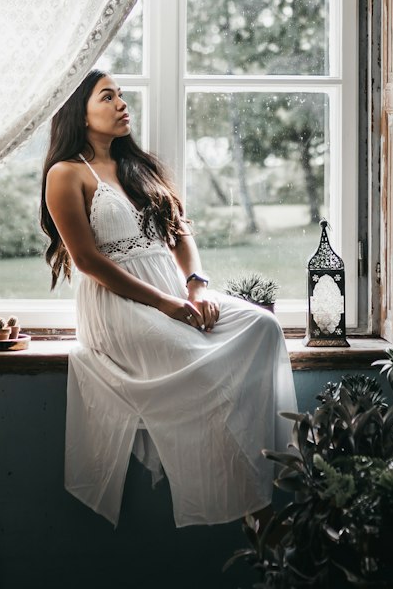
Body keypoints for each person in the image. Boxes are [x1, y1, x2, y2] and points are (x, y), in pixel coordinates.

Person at [41, 67, 297, 528]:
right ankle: (257, 516)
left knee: (263, 326)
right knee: (203, 367)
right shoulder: (66, 175)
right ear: (79, 114)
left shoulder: (139, 167)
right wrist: (165, 304)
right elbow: (88, 262)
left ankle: (275, 469)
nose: (122, 104)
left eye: (121, 95)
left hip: (173, 289)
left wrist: (195, 286)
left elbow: (178, 234)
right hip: (117, 305)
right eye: (107, 97)